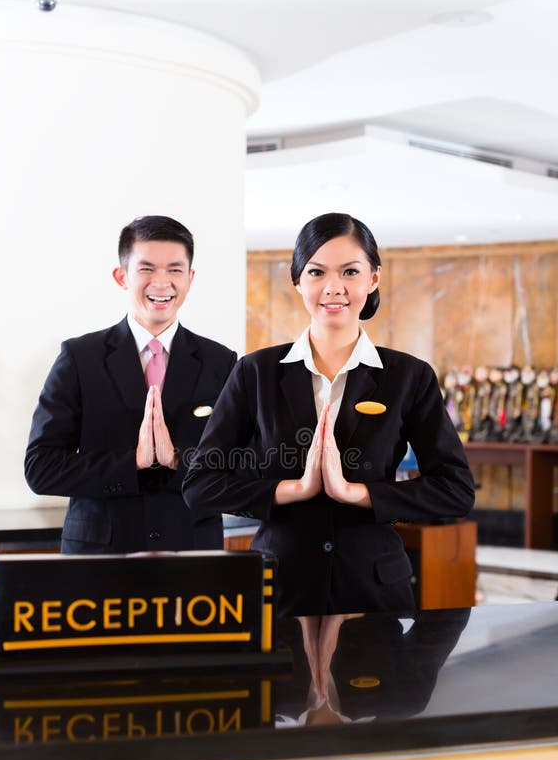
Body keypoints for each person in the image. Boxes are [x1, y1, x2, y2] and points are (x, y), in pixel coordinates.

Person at [183, 212, 475, 615]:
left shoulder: (409, 377)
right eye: (317, 272)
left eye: (350, 272)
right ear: (297, 281)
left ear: (373, 278)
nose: (333, 287)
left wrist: (357, 493)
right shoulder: (256, 372)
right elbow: (200, 483)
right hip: (279, 588)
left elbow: (456, 489)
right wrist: (294, 489)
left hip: (374, 589)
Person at [25, 215, 237, 554]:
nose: (162, 282)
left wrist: (177, 459)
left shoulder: (221, 362)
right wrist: (132, 461)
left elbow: (239, 465)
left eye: (175, 270)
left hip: (192, 554)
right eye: (147, 269)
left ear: (190, 278)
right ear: (121, 276)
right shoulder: (80, 358)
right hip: (98, 557)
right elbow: (41, 468)